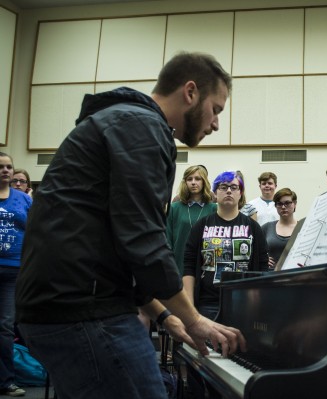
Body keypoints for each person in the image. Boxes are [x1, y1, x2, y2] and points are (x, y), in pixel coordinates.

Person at [14, 52, 246, 399]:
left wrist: (168, 318)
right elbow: (143, 239)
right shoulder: (140, 126)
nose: (215, 124)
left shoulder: (125, 122)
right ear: (191, 92)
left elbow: (120, 246)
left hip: (65, 307)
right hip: (83, 311)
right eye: (216, 109)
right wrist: (196, 320)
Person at [183, 171, 268, 399]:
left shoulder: (253, 228)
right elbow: (189, 267)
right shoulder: (201, 226)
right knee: (200, 371)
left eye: (233, 187)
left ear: (241, 193)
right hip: (207, 306)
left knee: (235, 373)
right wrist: (190, 309)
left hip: (243, 310)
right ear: (214, 192)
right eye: (223, 187)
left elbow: (262, 270)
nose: (228, 190)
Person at [0, 153, 32, 398]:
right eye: (1, 167)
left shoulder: (23, 199)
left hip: (13, 270)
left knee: (6, 327)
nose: (6, 171)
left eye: (9, 167)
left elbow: (36, 231)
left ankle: (6, 381)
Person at [166, 165, 217, 275]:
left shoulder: (214, 208)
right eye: (189, 179)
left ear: (204, 182)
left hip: (206, 264)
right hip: (178, 263)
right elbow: (167, 240)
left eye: (198, 179)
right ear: (185, 183)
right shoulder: (174, 208)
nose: (193, 182)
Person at [262, 188, 298, 270]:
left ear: (295, 204)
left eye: (287, 203)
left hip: (296, 275)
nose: (283, 207)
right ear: (275, 206)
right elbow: (254, 251)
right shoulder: (266, 228)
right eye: (279, 204)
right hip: (271, 276)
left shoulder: (303, 228)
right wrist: (262, 260)